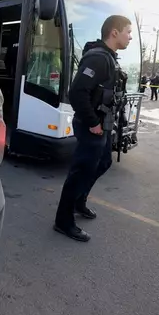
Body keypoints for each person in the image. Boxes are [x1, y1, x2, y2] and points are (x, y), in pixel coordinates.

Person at [54, 15, 132, 242]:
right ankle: (63, 221)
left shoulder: (110, 59)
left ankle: (79, 201)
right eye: (127, 32)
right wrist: (93, 123)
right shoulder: (98, 59)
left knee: (104, 162)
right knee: (80, 172)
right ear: (114, 32)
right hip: (92, 126)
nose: (129, 38)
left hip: (103, 125)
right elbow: (77, 93)